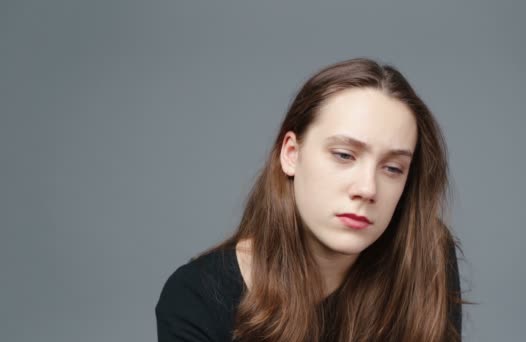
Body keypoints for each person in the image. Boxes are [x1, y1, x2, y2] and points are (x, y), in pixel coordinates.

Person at [155, 57, 465, 342]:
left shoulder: (426, 253)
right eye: (344, 155)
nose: (368, 188)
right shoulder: (195, 297)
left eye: (393, 168)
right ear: (291, 154)